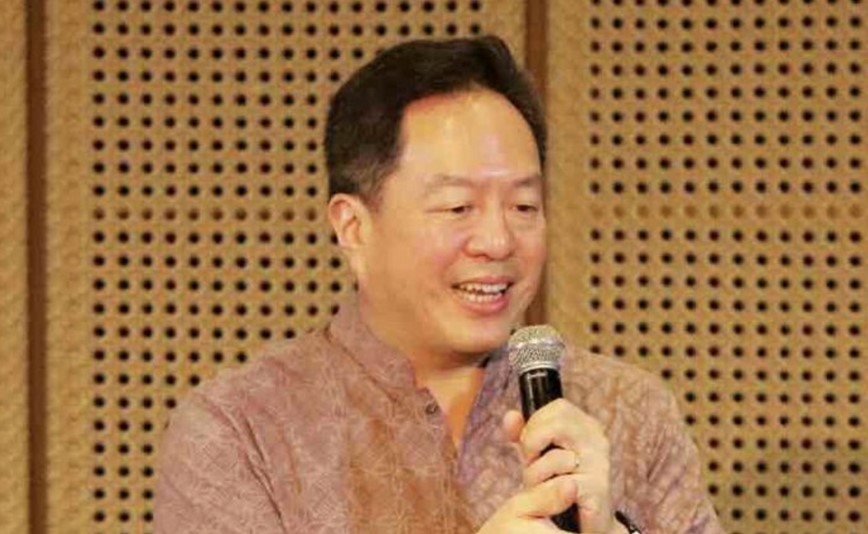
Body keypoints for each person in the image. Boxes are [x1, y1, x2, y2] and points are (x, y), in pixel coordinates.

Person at [154, 36, 725, 533]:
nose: (497, 241)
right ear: (353, 226)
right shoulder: (243, 428)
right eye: (457, 207)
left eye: (524, 206)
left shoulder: (626, 409)